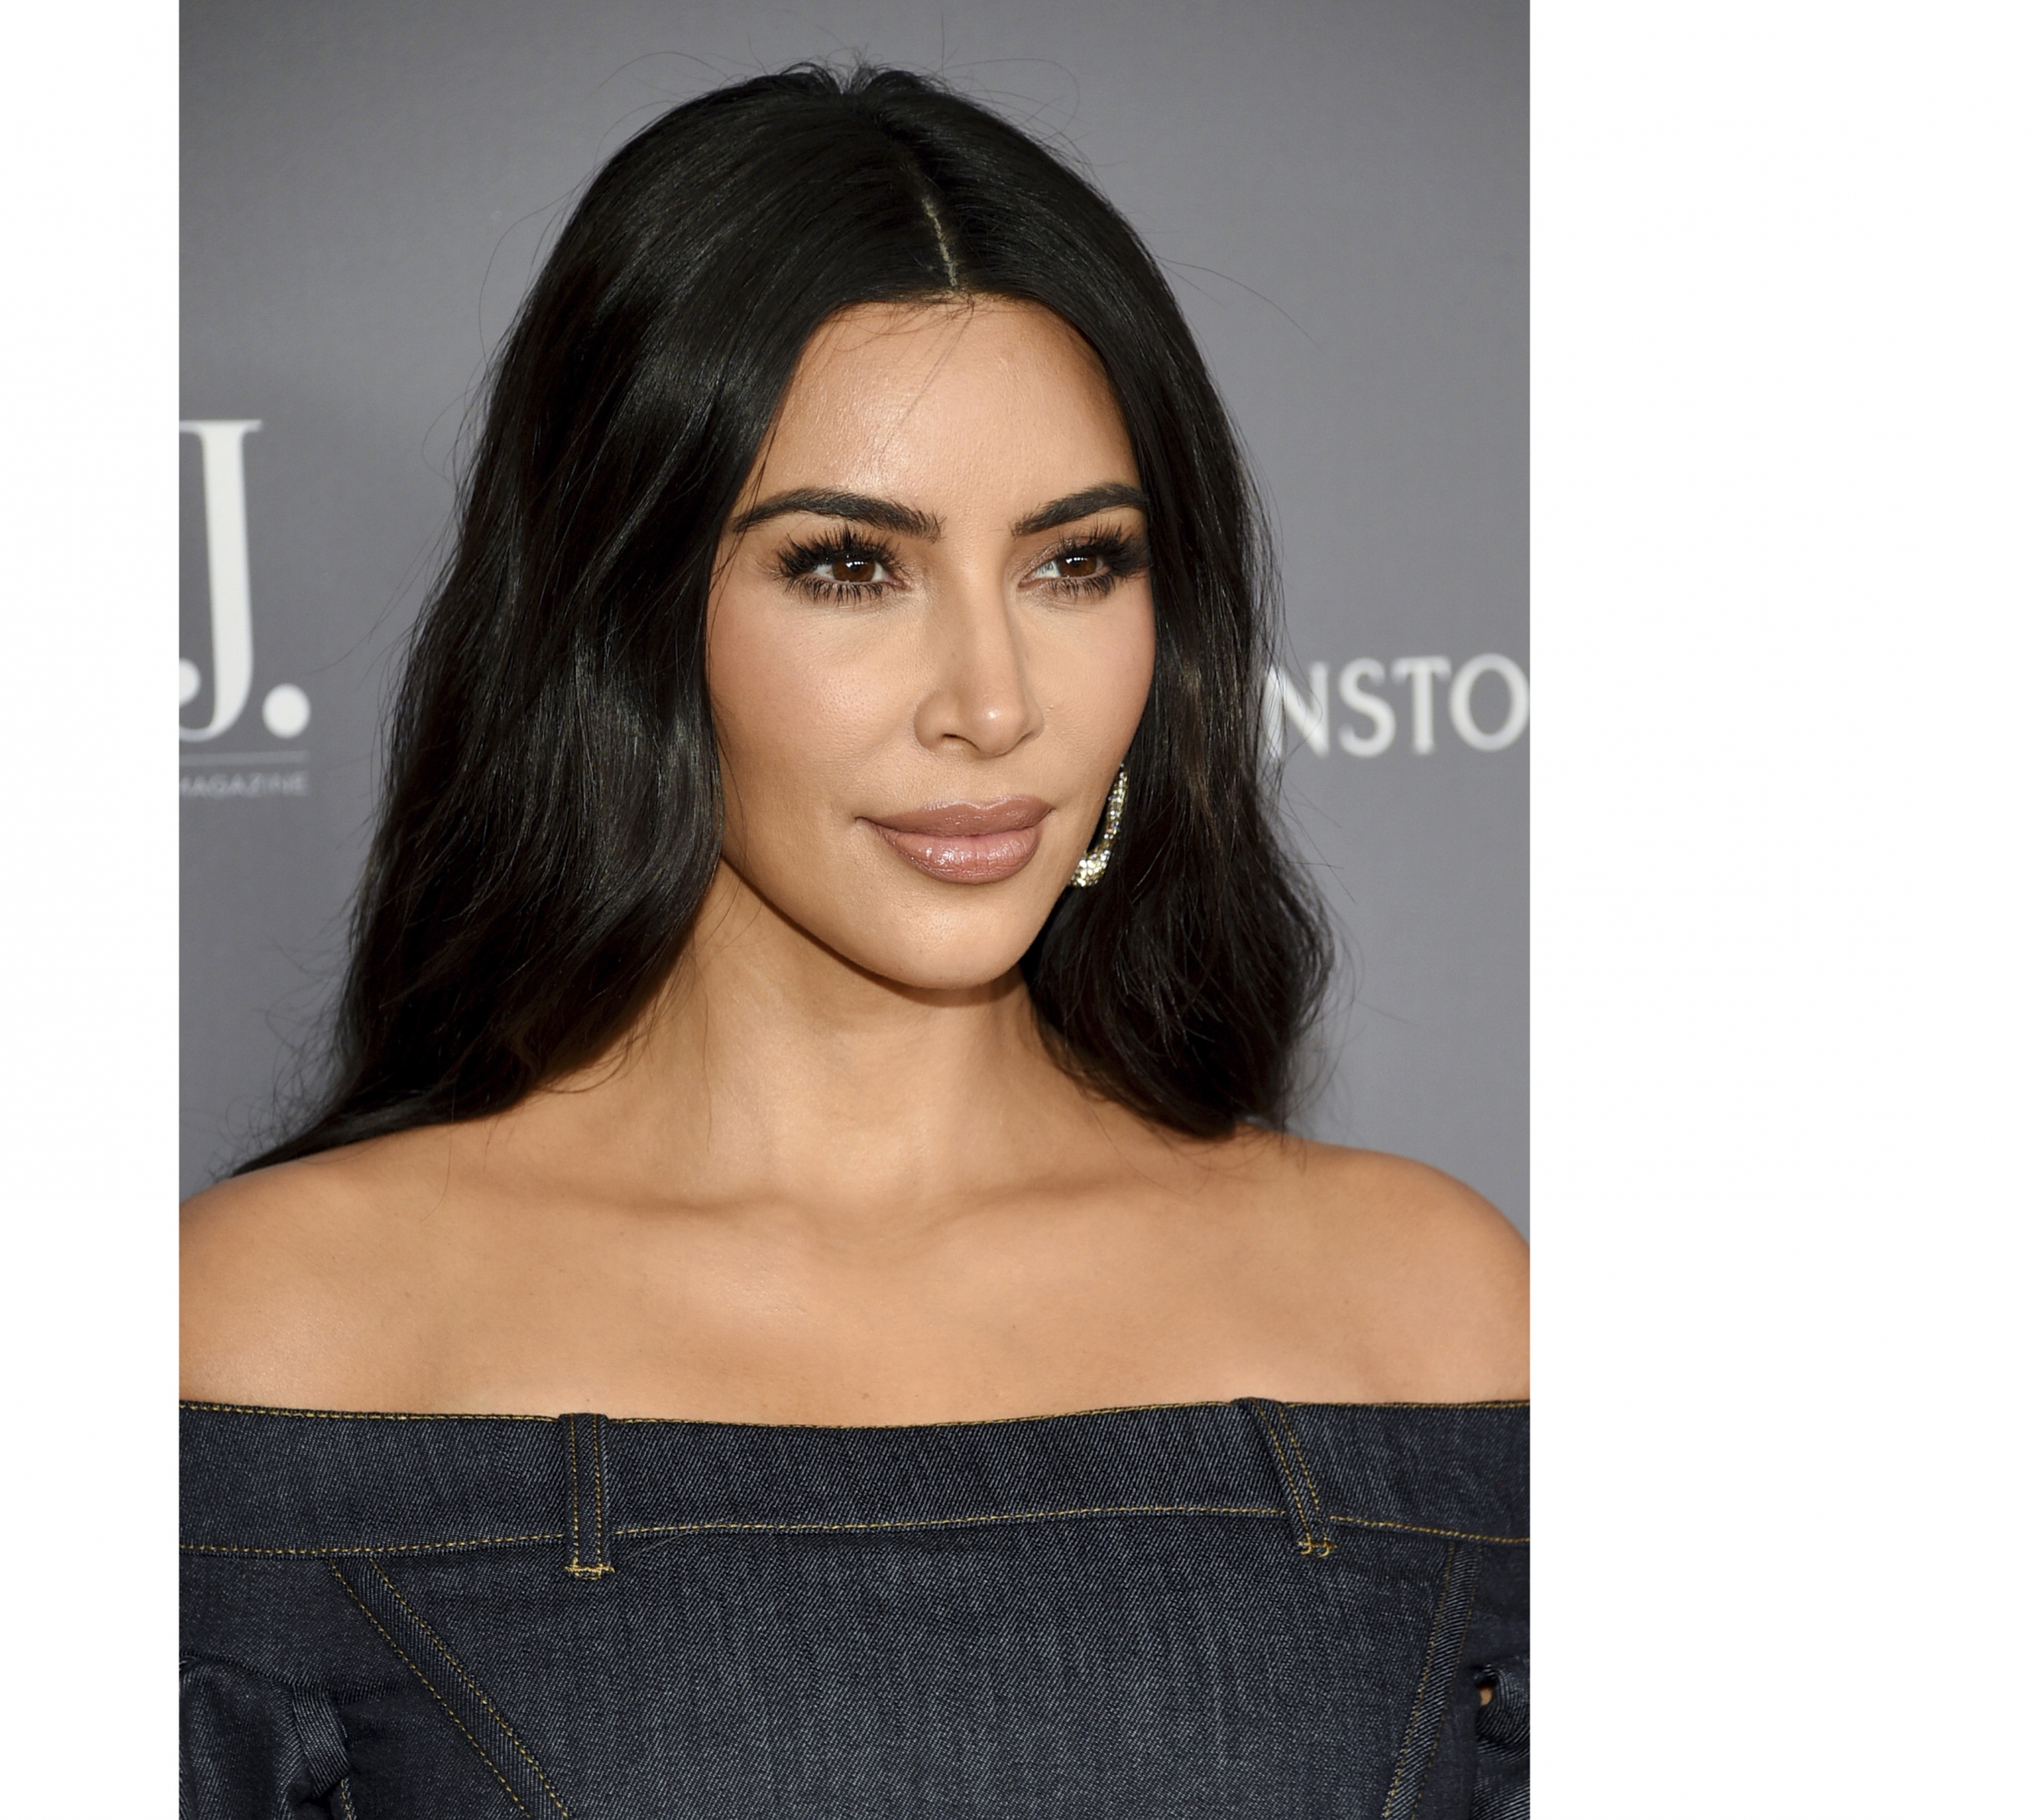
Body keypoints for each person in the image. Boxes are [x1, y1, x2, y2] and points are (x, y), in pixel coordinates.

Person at [181, 63, 1526, 1819]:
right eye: (846, 565)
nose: (994, 700)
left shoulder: (1431, 1313)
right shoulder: (271, 1333)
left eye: (1077, 563)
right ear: (622, 608)